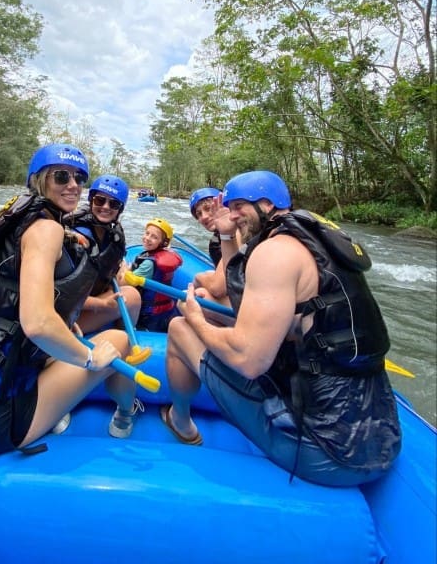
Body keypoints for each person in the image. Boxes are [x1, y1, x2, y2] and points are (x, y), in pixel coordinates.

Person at [162, 170, 402, 487]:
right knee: (215, 321)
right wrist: (224, 237)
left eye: (237, 207)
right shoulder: (316, 243)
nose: (232, 217)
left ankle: (180, 422)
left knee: (180, 328)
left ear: (266, 203)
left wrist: (195, 318)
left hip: (325, 452)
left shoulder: (273, 252)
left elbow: (249, 360)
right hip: (381, 440)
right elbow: (253, 310)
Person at [0, 144, 140, 461]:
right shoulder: (47, 229)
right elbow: (38, 324)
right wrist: (90, 357)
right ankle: (127, 411)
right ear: (39, 179)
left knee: (65, 334)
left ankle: (56, 401)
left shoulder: (19, 217)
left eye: (79, 178)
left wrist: (65, 319)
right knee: (118, 340)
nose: (73, 185)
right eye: (62, 177)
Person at [66, 174, 141, 334]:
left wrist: (119, 267)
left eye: (113, 204)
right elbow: (60, 295)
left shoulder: (112, 233)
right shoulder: (77, 239)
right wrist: (101, 304)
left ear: (119, 209)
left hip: (87, 298)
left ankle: (121, 331)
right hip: (67, 313)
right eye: (100, 200)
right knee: (133, 297)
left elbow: (109, 262)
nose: (106, 207)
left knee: (127, 283)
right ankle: (124, 338)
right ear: (91, 200)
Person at [130, 218, 183, 332]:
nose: (147, 238)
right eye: (147, 233)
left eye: (154, 237)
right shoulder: (161, 256)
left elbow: (128, 281)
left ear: (163, 243)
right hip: (166, 310)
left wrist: (123, 268)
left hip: (149, 314)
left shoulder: (149, 263)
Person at [188, 187, 233, 307]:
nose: (204, 217)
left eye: (208, 209)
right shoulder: (217, 239)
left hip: (253, 305)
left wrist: (199, 279)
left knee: (195, 293)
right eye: (199, 214)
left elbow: (218, 288)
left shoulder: (234, 233)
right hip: (240, 293)